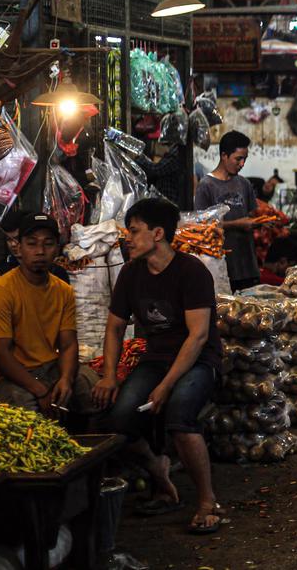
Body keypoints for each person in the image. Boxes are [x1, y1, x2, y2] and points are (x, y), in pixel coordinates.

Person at [93, 198, 225, 534]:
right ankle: (161, 474)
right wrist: (109, 376)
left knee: (179, 415)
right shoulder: (130, 273)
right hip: (155, 360)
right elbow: (114, 328)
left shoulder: (191, 271)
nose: (128, 239)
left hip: (198, 360)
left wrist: (166, 385)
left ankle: (207, 501)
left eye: (134, 231)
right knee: (118, 420)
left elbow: (198, 336)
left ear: (158, 233)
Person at [0, 213, 95, 415]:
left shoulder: (63, 290)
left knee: (88, 382)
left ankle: (95, 434)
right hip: (11, 375)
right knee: (23, 405)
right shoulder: (2, 290)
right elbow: (1, 354)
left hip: (50, 366)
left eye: (48, 244)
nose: (40, 251)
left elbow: (68, 344)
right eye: (32, 244)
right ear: (19, 247)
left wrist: (65, 379)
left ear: (57, 248)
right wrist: (40, 390)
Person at [194, 130, 260, 292]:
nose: (242, 164)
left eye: (245, 159)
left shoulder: (244, 184)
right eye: (238, 159)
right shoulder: (206, 186)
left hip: (247, 265)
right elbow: (202, 226)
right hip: (221, 266)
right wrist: (236, 224)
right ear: (224, 155)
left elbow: (253, 215)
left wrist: (262, 222)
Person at [0, 210, 69, 283]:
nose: (13, 244)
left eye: (17, 238)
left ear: (57, 249)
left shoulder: (59, 274)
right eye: (9, 239)